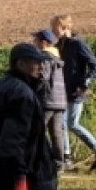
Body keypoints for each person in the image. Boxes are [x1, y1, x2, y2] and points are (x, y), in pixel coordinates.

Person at [0, 43, 59, 190]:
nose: (41, 67)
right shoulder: (23, 94)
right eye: (36, 63)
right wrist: (20, 178)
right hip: (20, 179)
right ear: (21, 64)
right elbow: (12, 140)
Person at [53, 14, 96, 169]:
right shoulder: (59, 45)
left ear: (64, 27)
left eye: (55, 27)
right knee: (61, 124)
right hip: (62, 90)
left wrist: (84, 84)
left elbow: (94, 66)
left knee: (72, 124)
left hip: (76, 91)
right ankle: (66, 156)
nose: (53, 31)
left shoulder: (78, 44)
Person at [32, 30, 71, 171]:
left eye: (36, 40)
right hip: (60, 101)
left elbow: (44, 78)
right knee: (56, 133)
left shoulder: (45, 58)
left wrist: (34, 90)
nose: (34, 43)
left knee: (35, 130)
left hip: (47, 100)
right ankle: (59, 163)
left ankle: (35, 160)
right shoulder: (57, 58)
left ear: (44, 43)